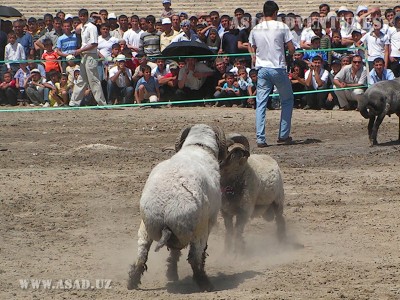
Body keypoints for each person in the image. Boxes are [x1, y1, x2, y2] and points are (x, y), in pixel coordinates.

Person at [249, 0, 295, 147]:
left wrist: (254, 56)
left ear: (263, 13)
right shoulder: (282, 27)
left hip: (262, 69)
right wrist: (289, 55)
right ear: (275, 12)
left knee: (261, 103)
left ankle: (260, 138)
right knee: (287, 100)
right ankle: (283, 135)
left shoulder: (256, 28)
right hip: (278, 67)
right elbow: (291, 47)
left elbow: (251, 46)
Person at [69, 9, 107, 106]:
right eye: (80, 16)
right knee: (81, 80)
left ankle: (101, 103)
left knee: (93, 80)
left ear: (87, 16)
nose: (82, 18)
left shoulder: (92, 27)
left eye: (83, 16)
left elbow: (94, 43)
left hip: (90, 56)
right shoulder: (83, 27)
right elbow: (76, 29)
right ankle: (74, 102)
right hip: (84, 56)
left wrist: (79, 51)